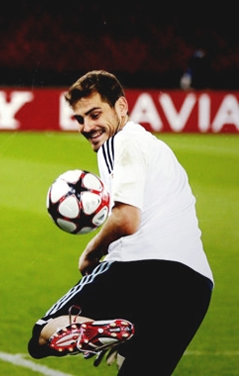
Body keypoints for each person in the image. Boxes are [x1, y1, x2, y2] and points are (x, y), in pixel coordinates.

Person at [28, 70, 213, 375]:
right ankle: (103, 331)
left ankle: (92, 330)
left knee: (43, 336)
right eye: (79, 119)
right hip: (194, 287)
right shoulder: (152, 146)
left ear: (122, 107)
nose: (87, 127)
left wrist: (90, 251)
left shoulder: (121, 141)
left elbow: (126, 220)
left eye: (95, 114)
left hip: (141, 267)